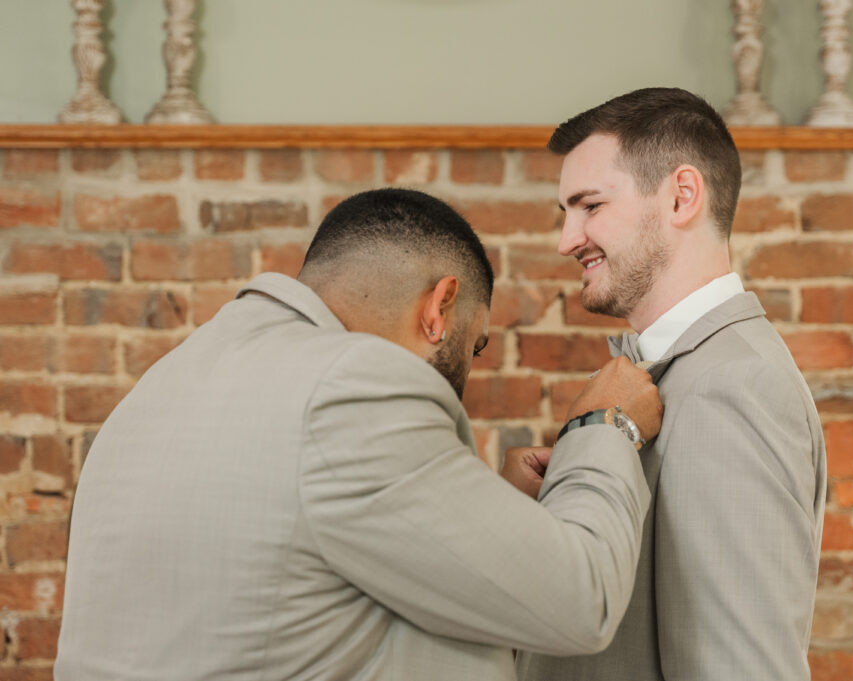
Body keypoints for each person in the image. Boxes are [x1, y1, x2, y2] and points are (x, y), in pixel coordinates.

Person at [55, 188, 663, 681]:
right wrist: (603, 425)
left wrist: (493, 511)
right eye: (474, 345)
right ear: (439, 307)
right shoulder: (354, 386)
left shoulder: (164, 386)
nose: (470, 371)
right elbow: (583, 601)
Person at [516, 88, 827, 680]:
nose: (566, 239)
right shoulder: (678, 373)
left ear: (682, 196)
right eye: (566, 212)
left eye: (589, 206)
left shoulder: (732, 389)